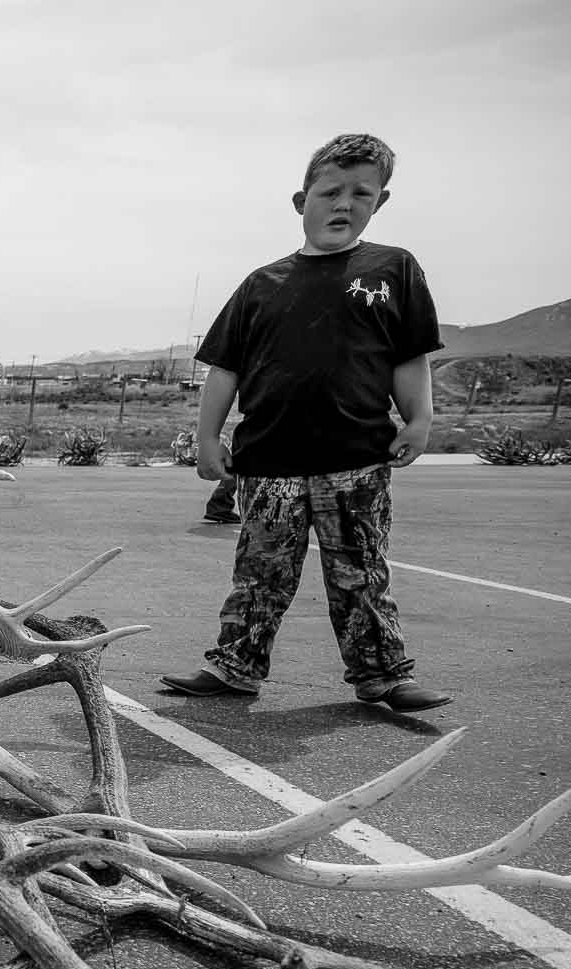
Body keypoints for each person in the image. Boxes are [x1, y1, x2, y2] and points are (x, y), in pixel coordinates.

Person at [159, 133, 451, 713]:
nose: (343, 204)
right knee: (260, 574)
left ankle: (382, 674)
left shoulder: (392, 269)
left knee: (360, 575)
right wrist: (207, 438)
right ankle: (235, 665)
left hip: (356, 460)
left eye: (360, 194)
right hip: (270, 463)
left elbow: (408, 355)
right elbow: (225, 369)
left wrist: (419, 419)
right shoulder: (261, 284)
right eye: (330, 192)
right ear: (302, 200)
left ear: (380, 202)